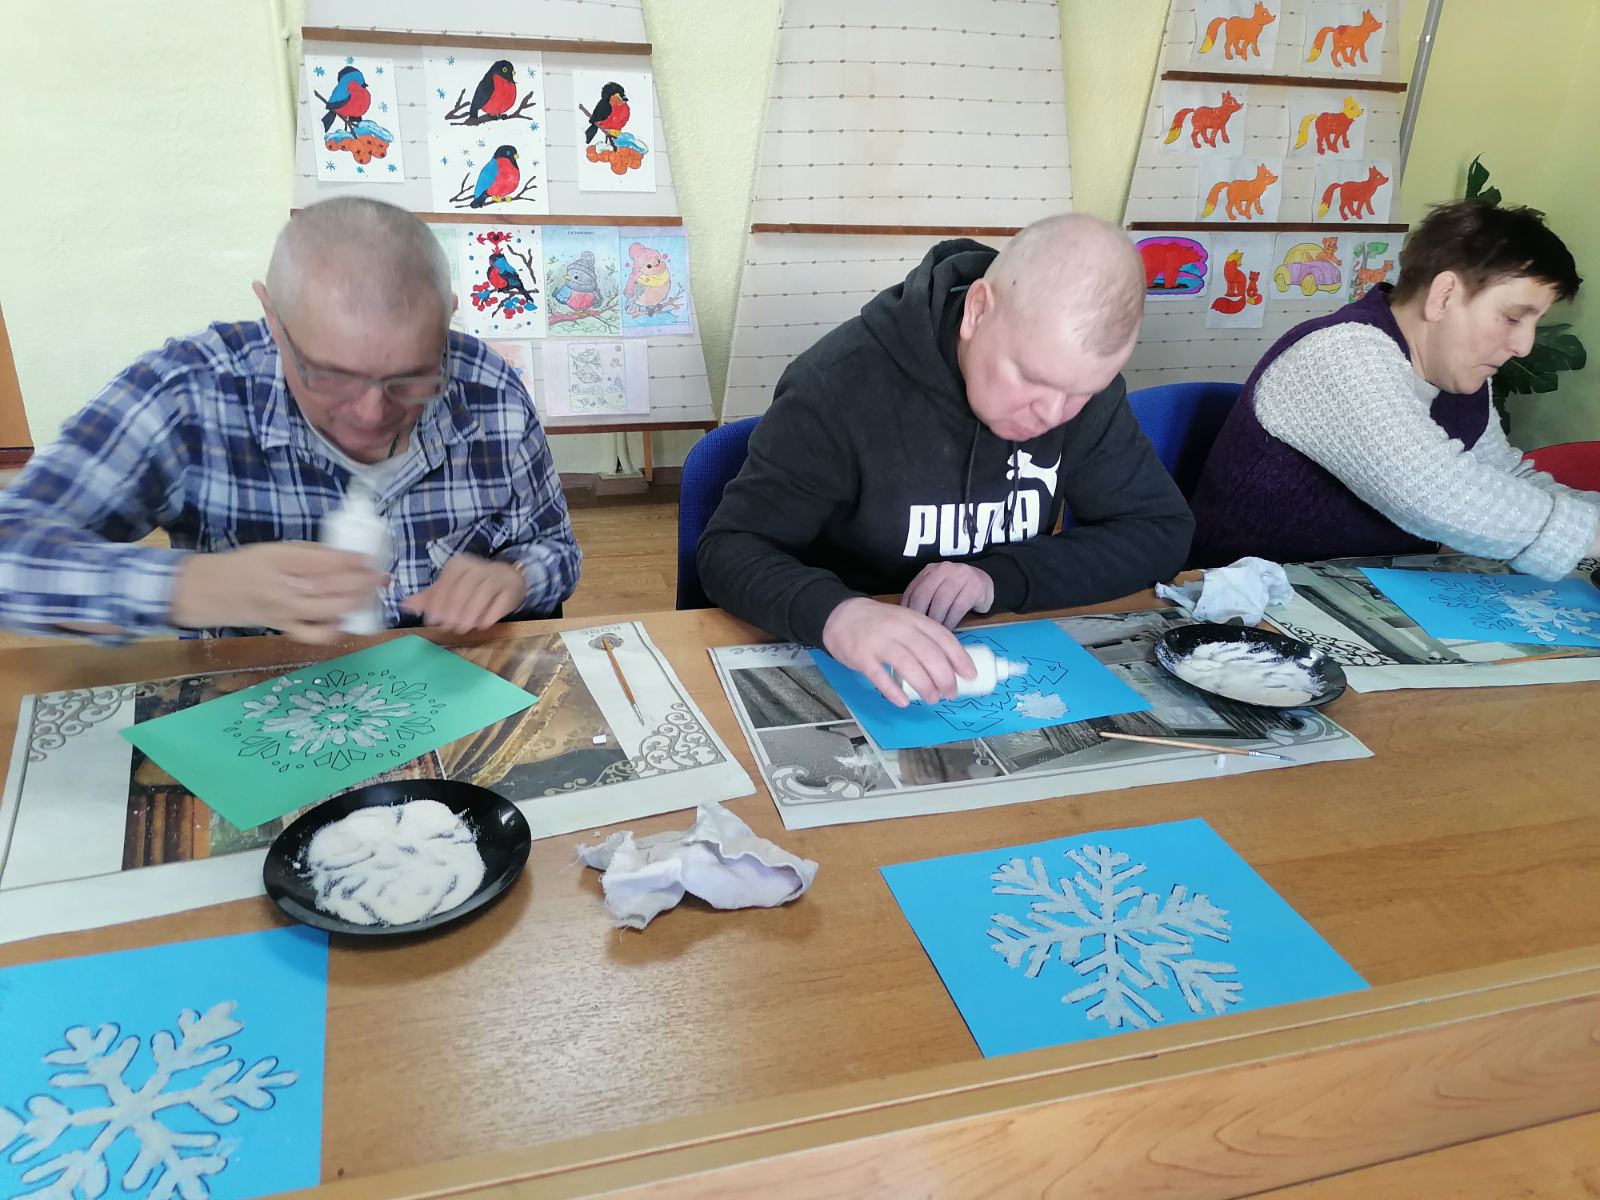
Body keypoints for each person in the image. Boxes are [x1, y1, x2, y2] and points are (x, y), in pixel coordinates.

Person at [0, 198, 579, 642]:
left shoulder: (490, 392)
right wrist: (194, 587)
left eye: (411, 377)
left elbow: (556, 548)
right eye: (330, 376)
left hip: (446, 697)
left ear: (446, 321)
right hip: (258, 708)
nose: (372, 412)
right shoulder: (189, 394)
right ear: (273, 320)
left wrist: (517, 578)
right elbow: (11, 550)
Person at [698, 214, 1193, 706]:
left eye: (1082, 392)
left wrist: (997, 577)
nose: (1052, 414)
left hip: (990, 656)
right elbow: (730, 549)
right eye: (1031, 378)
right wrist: (837, 614)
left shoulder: (1077, 387)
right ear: (977, 311)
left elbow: (1159, 530)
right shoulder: (838, 385)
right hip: (851, 668)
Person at [1188, 200, 1598, 575]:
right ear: (1443, 296)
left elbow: (1502, 473)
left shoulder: (1457, 373)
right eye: (1512, 318)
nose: (1524, 345)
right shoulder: (1341, 352)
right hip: (1246, 598)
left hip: (1361, 588)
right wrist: (1589, 535)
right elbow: (1433, 492)